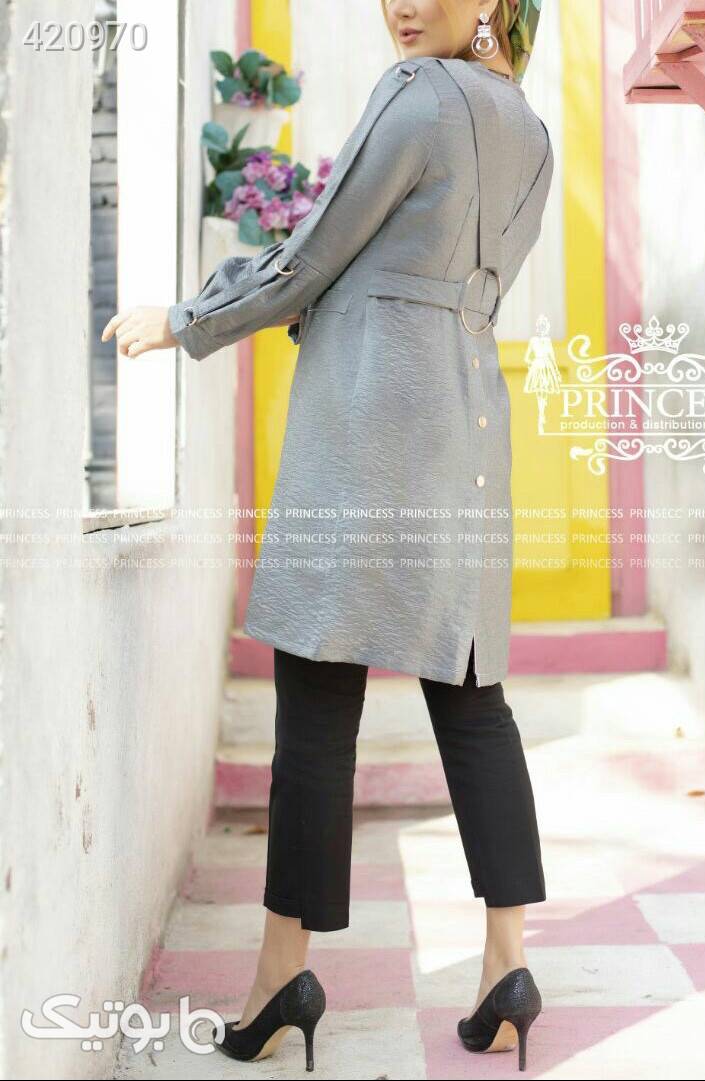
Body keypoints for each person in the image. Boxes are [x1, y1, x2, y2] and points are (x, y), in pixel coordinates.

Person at [103, 0, 551, 1072]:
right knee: (472, 693)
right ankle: (507, 966)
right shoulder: (532, 133)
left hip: (369, 425)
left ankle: (282, 975)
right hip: (468, 429)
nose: (403, 5)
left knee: (315, 701)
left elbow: (312, 256)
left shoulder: (414, 94)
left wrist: (187, 319)